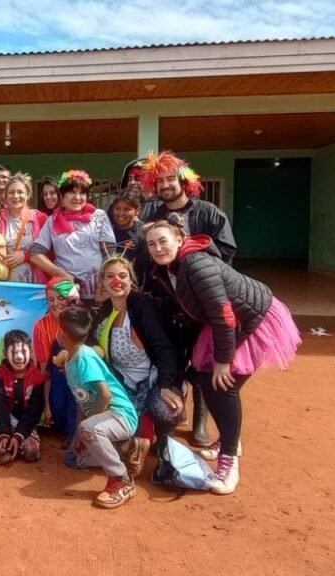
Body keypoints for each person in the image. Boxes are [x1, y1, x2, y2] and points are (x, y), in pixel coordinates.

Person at [144, 216, 300, 494]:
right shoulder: (172, 267)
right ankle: (229, 438)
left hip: (250, 318)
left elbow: (223, 314)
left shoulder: (196, 265)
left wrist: (224, 360)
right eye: (151, 244)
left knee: (222, 385)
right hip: (226, 322)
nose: (158, 248)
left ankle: (229, 457)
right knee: (203, 377)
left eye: (163, 241)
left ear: (179, 239)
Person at [136, 151, 237, 446]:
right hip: (165, 302)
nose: (166, 185)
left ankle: (201, 421)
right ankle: (168, 416)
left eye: (171, 179)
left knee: (203, 362)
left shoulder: (209, 213)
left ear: (183, 181)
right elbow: (143, 257)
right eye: (160, 181)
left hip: (201, 304)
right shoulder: (151, 215)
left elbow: (227, 252)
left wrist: (187, 241)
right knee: (169, 357)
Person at [92, 256, 183, 477]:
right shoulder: (105, 308)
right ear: (102, 282)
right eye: (110, 276)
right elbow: (89, 341)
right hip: (120, 382)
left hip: (150, 379)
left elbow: (163, 347)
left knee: (164, 407)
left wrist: (165, 384)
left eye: (123, 276)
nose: (117, 281)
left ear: (131, 280)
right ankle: (138, 442)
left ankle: (165, 449)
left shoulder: (142, 305)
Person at [59, 306, 140, 509]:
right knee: (73, 458)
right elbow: (82, 402)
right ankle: (126, 448)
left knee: (89, 430)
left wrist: (86, 429)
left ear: (62, 334)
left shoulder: (84, 358)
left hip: (120, 415)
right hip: (103, 418)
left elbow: (105, 395)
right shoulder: (70, 358)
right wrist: (80, 435)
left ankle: (121, 479)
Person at [30, 170, 116, 302]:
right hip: (66, 292)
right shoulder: (52, 221)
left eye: (82, 193)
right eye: (71, 192)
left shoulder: (99, 216)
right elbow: (35, 254)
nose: (77, 197)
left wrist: (104, 281)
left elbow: (109, 251)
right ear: (62, 197)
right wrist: (62, 275)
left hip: (98, 291)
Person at [0, 330, 46, 465]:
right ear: (5, 354)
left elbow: (34, 412)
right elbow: (0, 405)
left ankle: (15, 444)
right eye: (14, 352)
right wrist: (4, 434)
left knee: (31, 453)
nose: (19, 357)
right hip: (4, 420)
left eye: (23, 352)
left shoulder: (38, 378)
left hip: (25, 423)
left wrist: (19, 436)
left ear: (31, 353)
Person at [33, 278, 81, 446]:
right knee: (58, 404)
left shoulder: (79, 321)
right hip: (56, 379)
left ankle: (73, 434)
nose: (55, 303)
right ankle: (64, 429)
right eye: (50, 299)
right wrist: (47, 406)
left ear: (70, 299)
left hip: (80, 376)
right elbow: (44, 371)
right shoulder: (41, 326)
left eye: (61, 298)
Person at [0, 173, 49, 284]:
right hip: (5, 284)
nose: (16, 196)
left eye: (20, 192)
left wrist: (25, 256)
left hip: (34, 284)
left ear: (28, 194)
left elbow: (52, 252)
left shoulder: (41, 218)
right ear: (5, 196)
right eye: (11, 192)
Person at [109, 187, 144, 259]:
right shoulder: (107, 233)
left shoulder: (144, 233)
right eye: (117, 209)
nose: (121, 213)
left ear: (137, 211)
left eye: (127, 209)